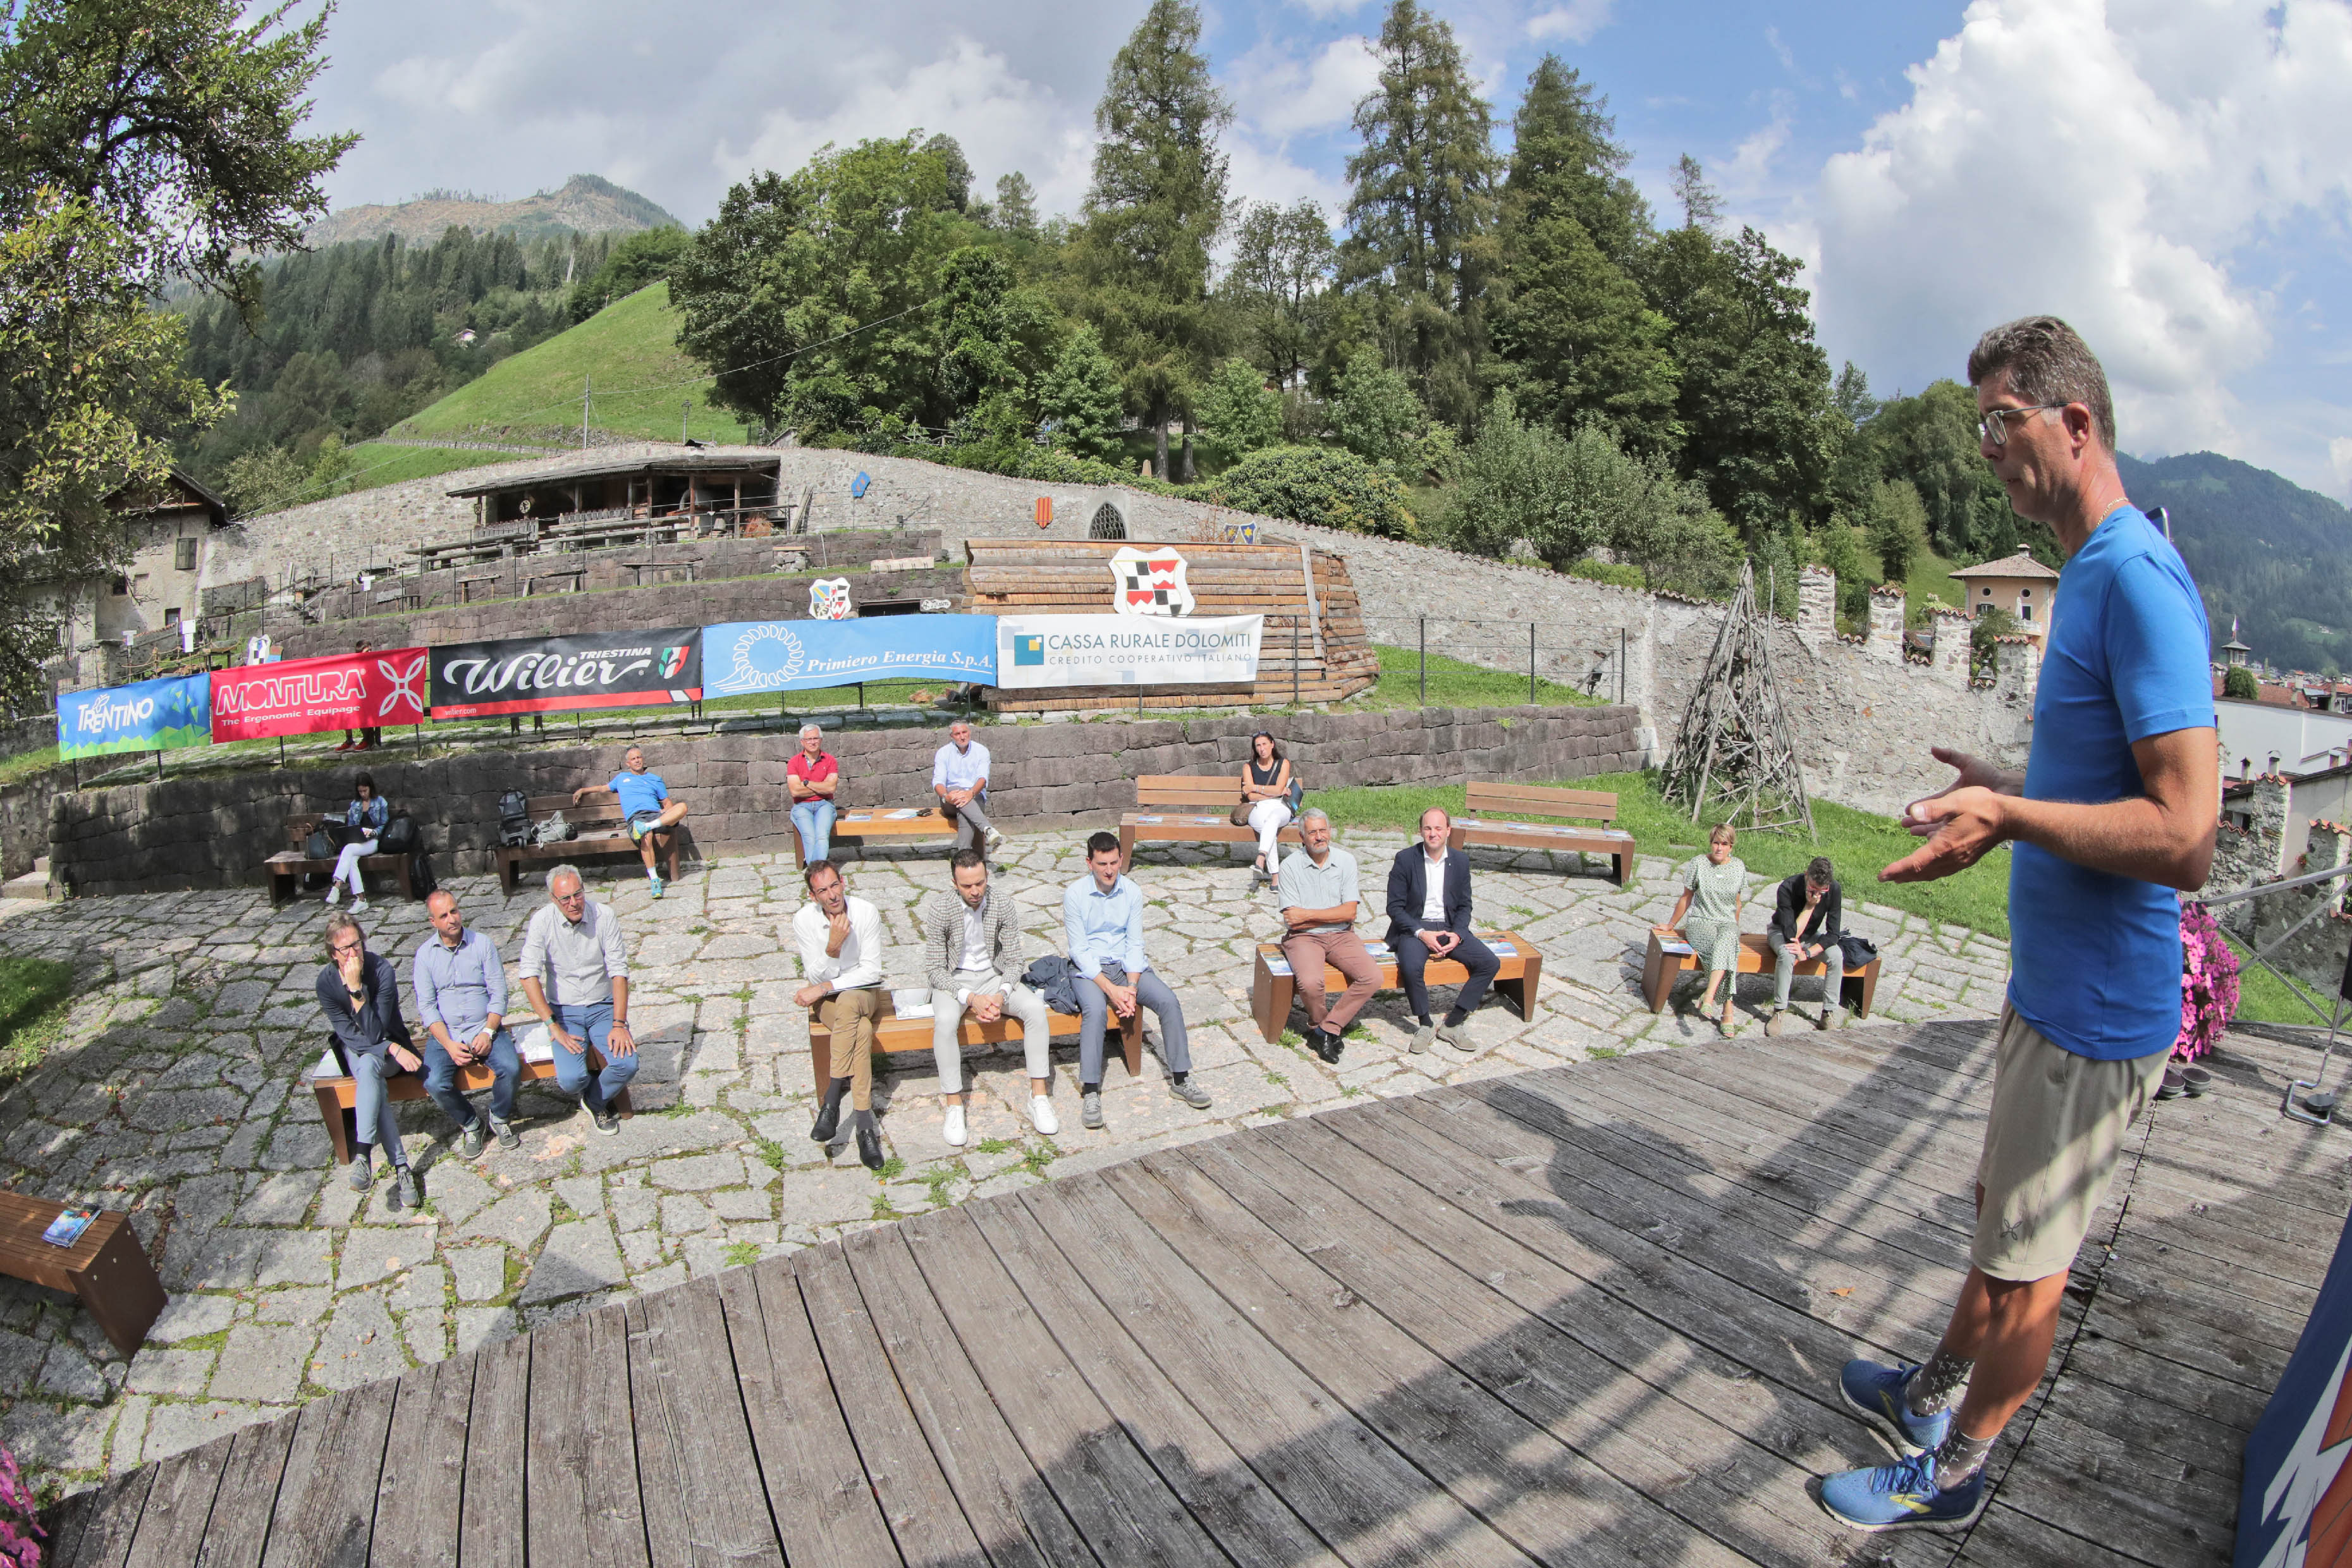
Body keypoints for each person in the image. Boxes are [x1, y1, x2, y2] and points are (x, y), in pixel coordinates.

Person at [1818, 317, 2217, 1533]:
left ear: (2076, 423)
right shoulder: (2092, 570)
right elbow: (2104, 781)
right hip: (2054, 988)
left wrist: (2010, 814)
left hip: (2098, 1010)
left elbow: (2188, 837)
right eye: (1979, 424)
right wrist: (2000, 781)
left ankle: (1954, 1475)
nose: (1986, 449)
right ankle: (1933, 1393)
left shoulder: (2134, 584)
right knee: (2002, 1219)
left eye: (2003, 422)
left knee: (2030, 1267)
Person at [1062, 830, 1213, 1130]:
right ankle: (1091, 1090)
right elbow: (1079, 950)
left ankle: (1181, 1078)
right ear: (1089, 863)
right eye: (1102, 864)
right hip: (1090, 969)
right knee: (1093, 1011)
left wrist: (1130, 988)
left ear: (1121, 860)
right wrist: (1111, 989)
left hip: (1127, 965)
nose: (1109, 870)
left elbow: (1135, 943)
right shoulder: (1075, 895)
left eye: (1114, 863)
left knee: (1168, 1000)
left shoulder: (1131, 891)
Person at [924, 848, 1057, 1146]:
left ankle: (1039, 1096)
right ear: (954, 883)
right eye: (967, 885)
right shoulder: (940, 908)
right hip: (953, 979)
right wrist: (970, 998)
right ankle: (954, 1104)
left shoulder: (1001, 903)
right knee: (945, 1021)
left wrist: (1000, 995)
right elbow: (933, 968)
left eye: (980, 883)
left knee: (1035, 1009)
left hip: (994, 976)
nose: (975, 891)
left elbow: (1013, 961)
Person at [516, 864, 639, 1135]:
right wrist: (552, 1025)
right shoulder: (542, 922)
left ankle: (595, 1102)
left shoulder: (604, 915)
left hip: (602, 1006)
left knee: (627, 1063)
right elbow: (528, 975)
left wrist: (619, 1024)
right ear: (553, 899)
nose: (574, 903)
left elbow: (619, 971)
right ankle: (589, 1089)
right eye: (565, 898)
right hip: (564, 1011)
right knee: (571, 1080)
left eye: (578, 894)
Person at [317, 910, 422, 1208]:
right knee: (367, 1067)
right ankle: (402, 1168)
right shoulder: (325, 984)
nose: (353, 952)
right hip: (365, 1053)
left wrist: (356, 992)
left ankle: (363, 1153)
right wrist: (389, 1049)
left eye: (357, 943)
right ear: (333, 954)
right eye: (345, 948)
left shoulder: (381, 970)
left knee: (369, 1066)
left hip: (389, 1052)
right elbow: (352, 1037)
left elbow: (377, 1032)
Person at [411, 888, 521, 1156]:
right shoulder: (425, 956)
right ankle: (471, 1123)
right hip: (447, 1033)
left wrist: (487, 1031)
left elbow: (499, 994)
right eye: (444, 915)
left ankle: (500, 1117)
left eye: (454, 911)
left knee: (510, 1067)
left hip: (484, 1027)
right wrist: (448, 1044)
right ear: (433, 922)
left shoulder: (482, 945)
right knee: (434, 1082)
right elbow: (427, 1008)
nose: (452, 919)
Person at [792, 859, 886, 1169]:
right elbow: (814, 973)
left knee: (848, 1004)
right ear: (812, 896)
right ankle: (864, 1127)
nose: (832, 895)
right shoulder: (803, 921)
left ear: (843, 882)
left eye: (835, 885)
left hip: (862, 993)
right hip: (829, 998)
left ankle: (831, 1102)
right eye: (822, 890)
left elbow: (871, 971)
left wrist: (826, 985)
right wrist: (832, 949)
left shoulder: (865, 912)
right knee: (859, 1031)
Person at [1385, 806, 1500, 1054]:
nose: (1433, 833)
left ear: (1448, 830)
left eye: (1438, 828)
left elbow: (1464, 904)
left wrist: (1458, 934)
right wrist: (1421, 933)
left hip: (1449, 927)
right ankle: (1425, 1023)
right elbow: (1394, 907)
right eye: (1428, 828)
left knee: (1490, 963)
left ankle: (1453, 1023)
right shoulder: (1405, 859)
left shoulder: (1460, 861)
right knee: (1412, 966)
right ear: (1420, 831)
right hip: (1415, 928)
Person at [1277, 808, 1380, 1066]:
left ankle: (1326, 1029)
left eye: (1323, 830)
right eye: (1312, 832)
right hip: (1304, 938)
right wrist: (1329, 915)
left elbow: (1350, 911)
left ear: (1330, 832)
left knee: (1372, 977)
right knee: (1312, 983)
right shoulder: (1289, 867)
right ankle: (1319, 1026)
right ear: (1302, 836)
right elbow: (1292, 918)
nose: (1319, 836)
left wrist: (1309, 914)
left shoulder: (1346, 861)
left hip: (1342, 935)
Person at [1657, 824, 1745, 1036]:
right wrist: (1671, 924)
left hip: (1726, 923)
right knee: (1725, 951)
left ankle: (1709, 994)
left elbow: (1738, 902)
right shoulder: (1698, 863)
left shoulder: (1739, 867)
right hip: (1701, 922)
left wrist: (1735, 928)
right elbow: (1686, 898)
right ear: (1711, 843)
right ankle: (1727, 1010)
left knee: (1728, 941)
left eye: (1724, 844)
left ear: (1731, 847)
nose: (1719, 848)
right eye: (1716, 843)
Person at [581, 744, 687, 897]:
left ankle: (648, 826)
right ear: (628, 763)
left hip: (655, 816)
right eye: (633, 759)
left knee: (682, 807)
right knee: (646, 835)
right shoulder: (622, 778)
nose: (637, 761)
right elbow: (603, 788)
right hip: (636, 818)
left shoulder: (655, 780)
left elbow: (667, 802)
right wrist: (583, 790)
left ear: (643, 759)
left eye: (639, 757)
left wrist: (667, 810)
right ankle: (655, 879)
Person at [1764, 857, 1845, 1036]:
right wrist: (1810, 906)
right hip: (1781, 931)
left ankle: (1828, 1014)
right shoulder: (1788, 887)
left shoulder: (1834, 889)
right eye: (1813, 889)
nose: (1817, 895)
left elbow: (1833, 935)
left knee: (1837, 956)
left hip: (1809, 936)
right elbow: (1791, 935)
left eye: (1822, 892)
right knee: (1786, 954)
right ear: (1806, 874)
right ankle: (1779, 1011)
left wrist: (1807, 953)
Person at [933, 720, 1005, 856]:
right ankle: (987, 829)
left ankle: (963, 859)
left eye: (965, 732)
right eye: (958, 734)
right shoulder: (943, 753)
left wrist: (970, 794)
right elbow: (938, 781)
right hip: (950, 800)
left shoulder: (981, 751)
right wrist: (946, 796)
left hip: (974, 796)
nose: (962, 736)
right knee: (954, 788)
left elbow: (982, 779)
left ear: (969, 732)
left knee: (965, 813)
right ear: (952, 737)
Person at [324, 773, 389, 912]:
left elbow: (384, 825)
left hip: (374, 840)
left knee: (348, 850)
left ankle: (337, 886)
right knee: (352, 859)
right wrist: (356, 833)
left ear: (370, 788)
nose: (363, 794)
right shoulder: (355, 805)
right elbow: (352, 827)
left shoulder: (380, 802)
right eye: (360, 791)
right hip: (358, 842)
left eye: (365, 790)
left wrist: (373, 832)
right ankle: (361, 900)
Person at [1239, 730, 1295, 886]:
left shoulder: (1283, 763)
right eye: (1258, 746)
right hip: (1258, 808)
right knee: (1268, 827)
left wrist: (1256, 787)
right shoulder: (1248, 767)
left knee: (1273, 818)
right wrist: (1275, 793)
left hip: (1281, 808)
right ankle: (1275, 878)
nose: (1262, 748)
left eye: (1264, 744)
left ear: (1272, 744)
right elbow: (1251, 797)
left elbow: (1277, 789)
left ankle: (1261, 857)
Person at [787, 723, 840, 866]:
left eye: (816, 738)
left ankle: (815, 871)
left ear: (821, 740)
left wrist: (805, 783)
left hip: (824, 804)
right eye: (809, 739)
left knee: (821, 836)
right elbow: (795, 791)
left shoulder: (830, 760)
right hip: (802, 806)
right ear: (802, 742)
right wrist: (820, 786)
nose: (813, 742)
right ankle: (819, 870)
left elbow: (830, 789)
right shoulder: (794, 762)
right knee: (810, 837)